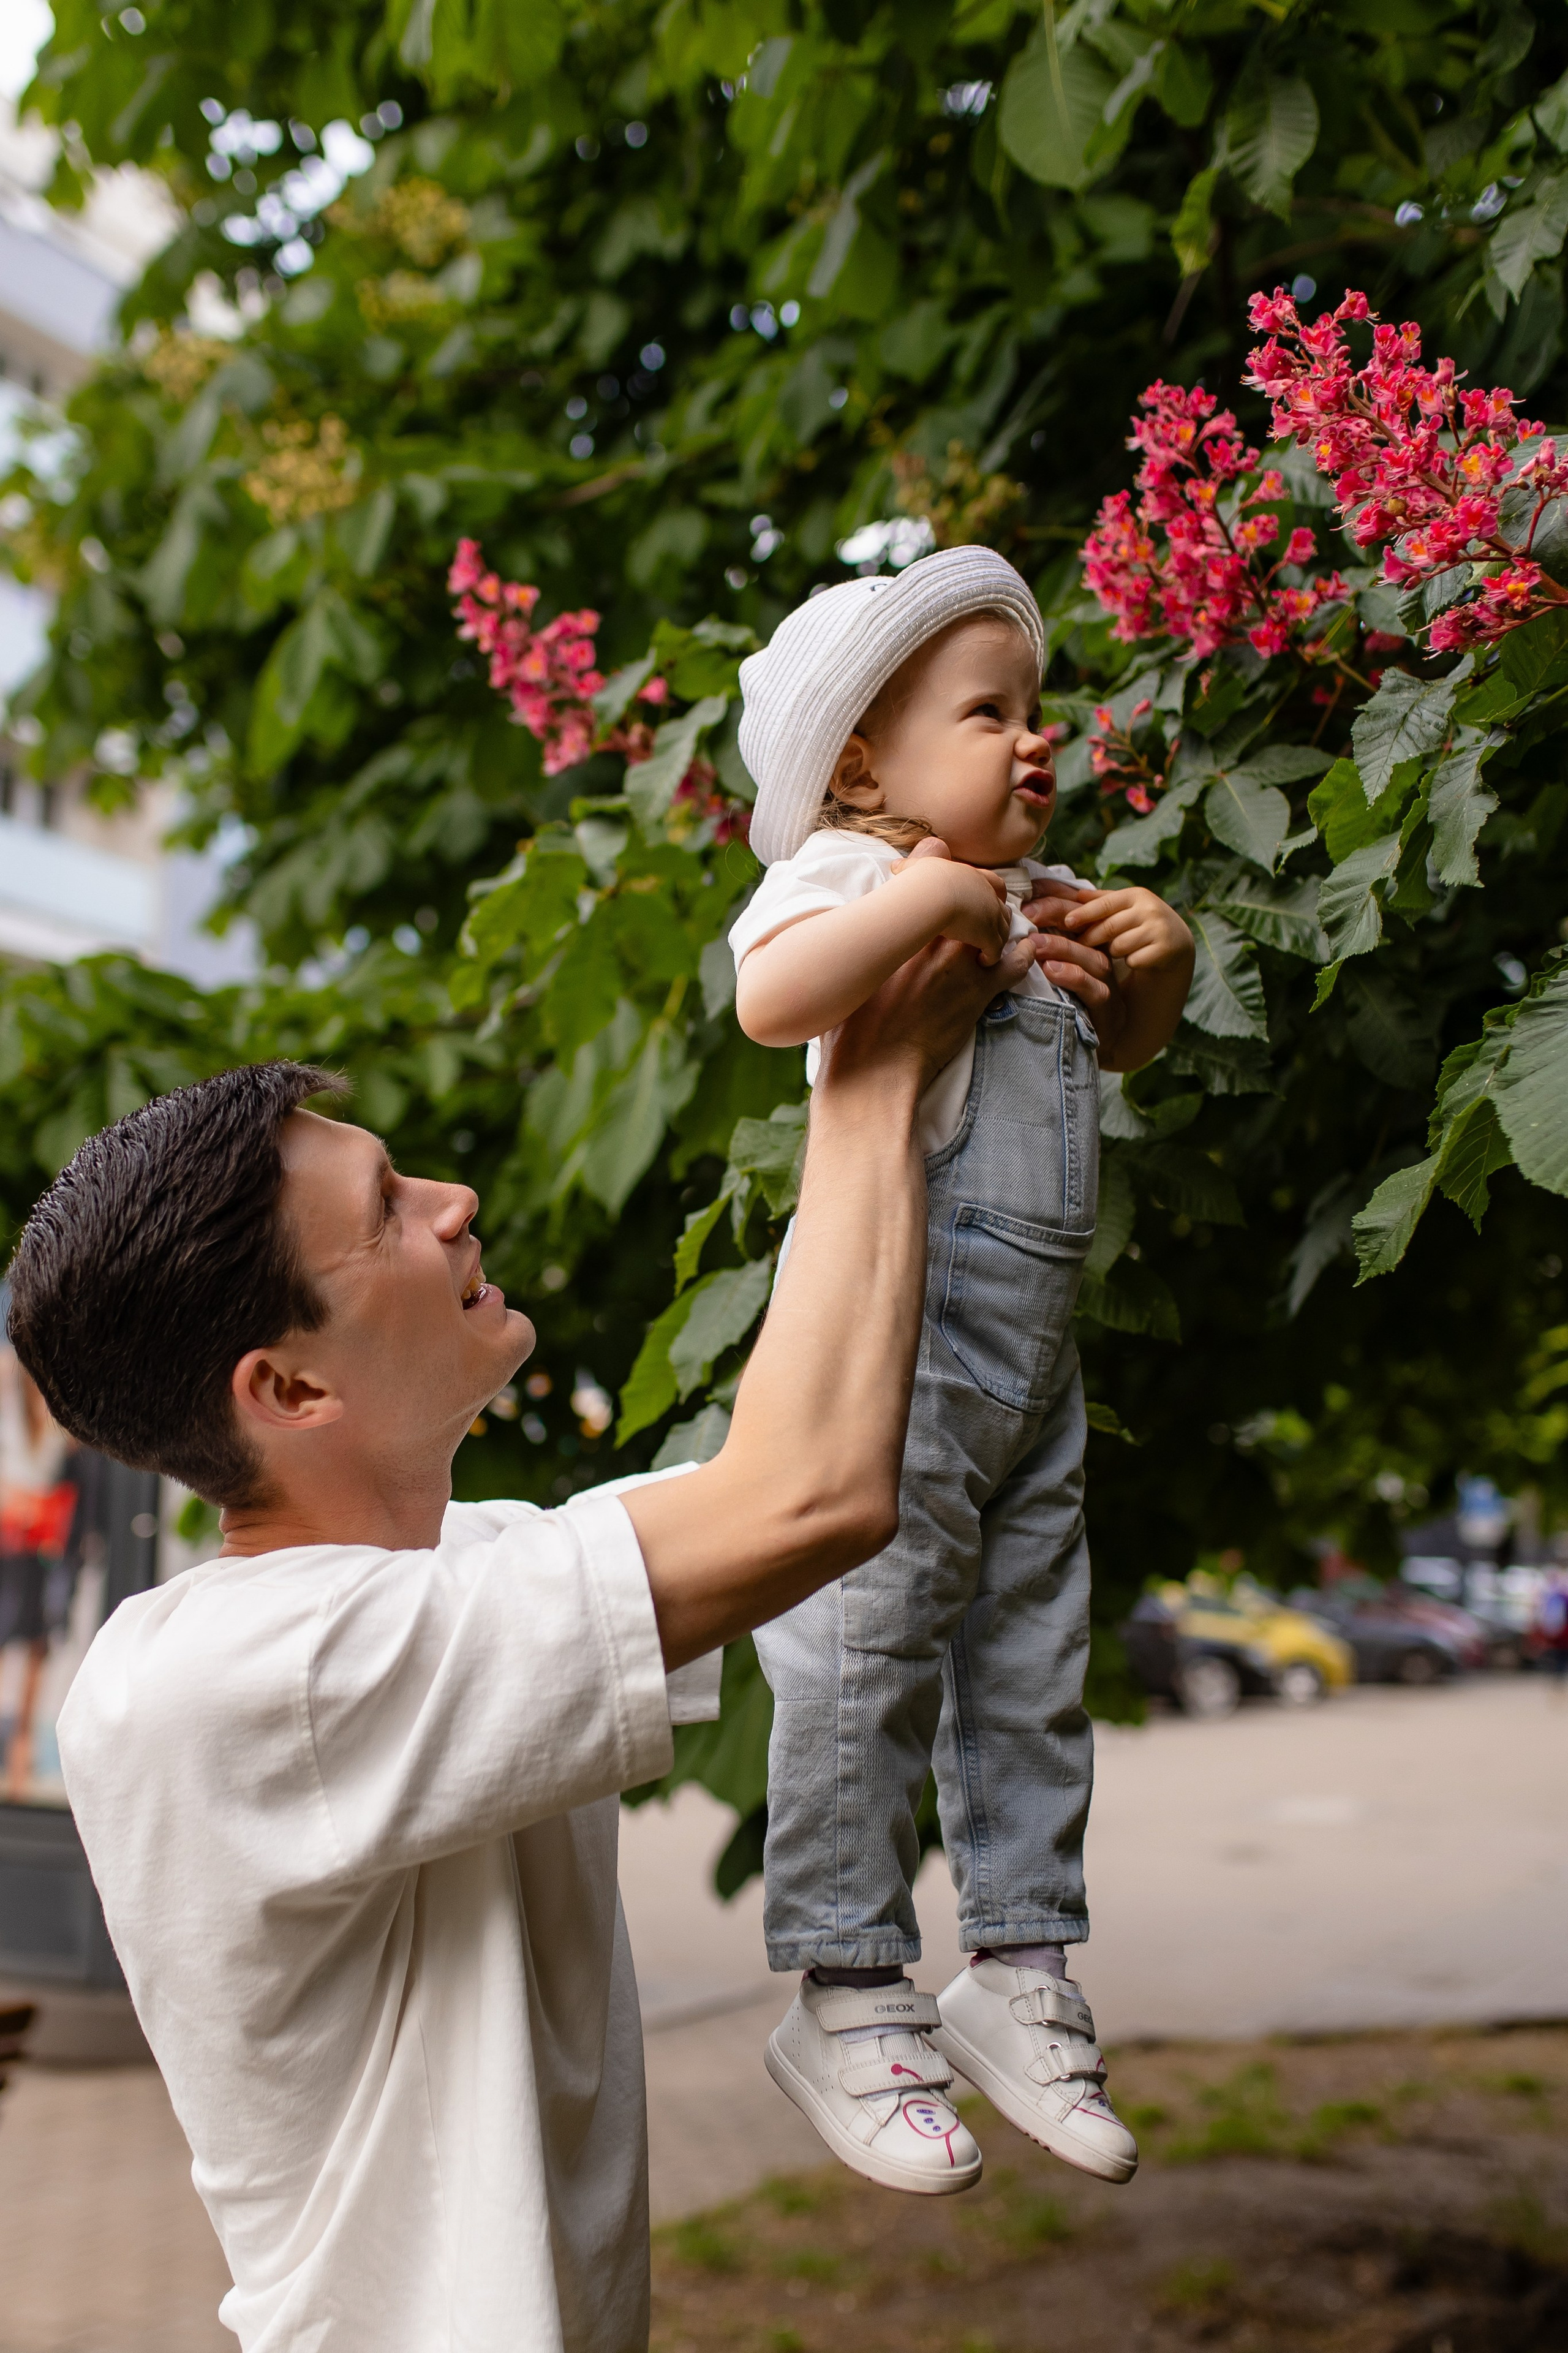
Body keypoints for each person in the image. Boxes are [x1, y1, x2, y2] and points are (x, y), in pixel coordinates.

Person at [4, 923, 1035, 2353]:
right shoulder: (233, 1677)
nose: (454, 1202)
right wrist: (864, 1065)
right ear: (289, 1389)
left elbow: (816, 1463)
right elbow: (814, 1496)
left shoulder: (466, 1570)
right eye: (387, 1209)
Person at [729, 545, 1194, 2195]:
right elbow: (768, 998)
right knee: (861, 1648)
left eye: (1035, 709)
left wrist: (1156, 966)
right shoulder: (851, 874)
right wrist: (921, 902)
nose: (1033, 738)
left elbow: (1117, 1044)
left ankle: (1019, 1966)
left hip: (1029, 1369)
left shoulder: (1034, 897)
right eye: (988, 713)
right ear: (862, 763)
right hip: (899, 1342)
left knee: (1028, 1657)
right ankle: (847, 1987)